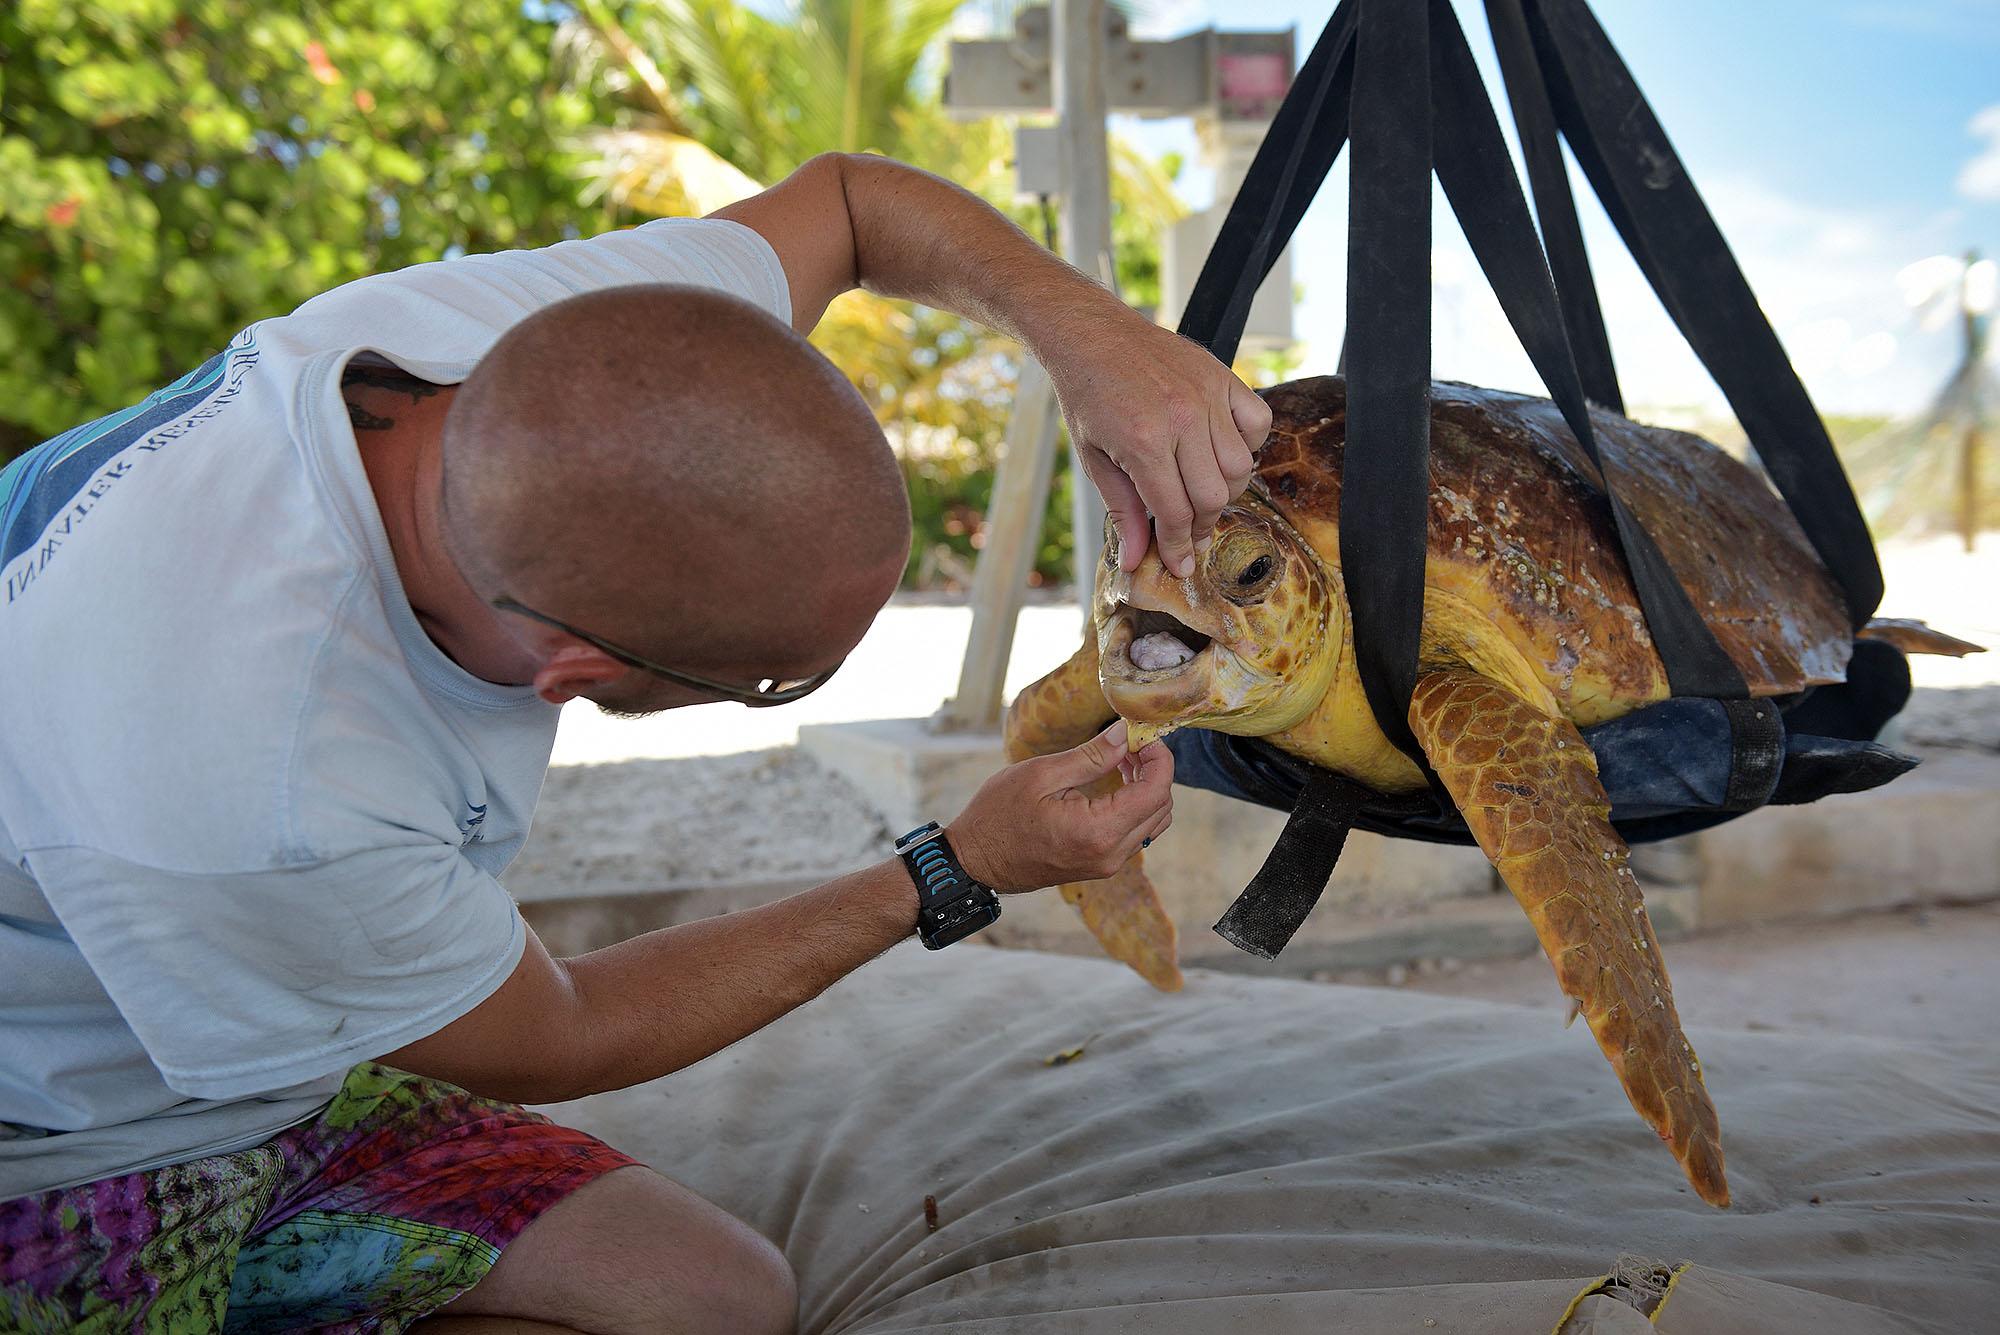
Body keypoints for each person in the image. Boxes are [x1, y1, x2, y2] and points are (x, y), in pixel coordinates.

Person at [0, 152, 1270, 1332]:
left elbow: (845, 201)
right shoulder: (268, 788)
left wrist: (1092, 344)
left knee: (712, 1297)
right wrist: (951, 868)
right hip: (63, 1149)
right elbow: (556, 1036)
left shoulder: (550, 346)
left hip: (261, 1048)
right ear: (578, 674)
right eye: (785, 681)